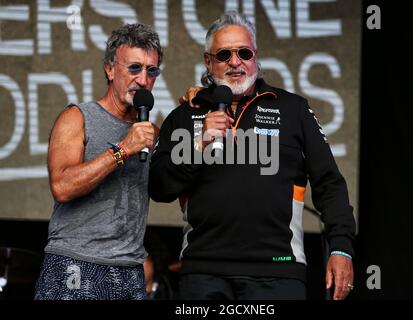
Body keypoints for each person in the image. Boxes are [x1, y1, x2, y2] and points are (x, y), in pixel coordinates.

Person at [149, 12, 356, 300]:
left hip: (279, 271)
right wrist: (199, 146)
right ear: (208, 62)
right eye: (224, 55)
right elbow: (158, 188)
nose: (235, 62)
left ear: (255, 56)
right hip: (204, 273)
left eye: (243, 52)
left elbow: (329, 183)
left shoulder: (293, 110)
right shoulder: (185, 115)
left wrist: (341, 246)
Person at [34, 23, 162, 300]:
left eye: (151, 71)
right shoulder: (77, 117)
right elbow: (62, 186)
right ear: (109, 69)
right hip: (76, 263)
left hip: (131, 270)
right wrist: (123, 149)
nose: (143, 79)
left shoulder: (149, 134)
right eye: (134, 68)